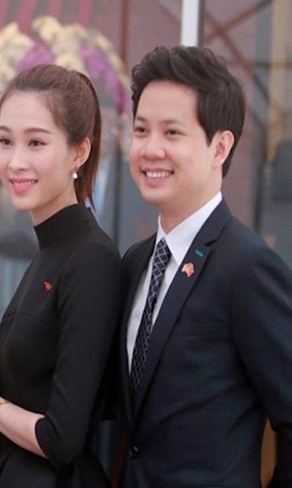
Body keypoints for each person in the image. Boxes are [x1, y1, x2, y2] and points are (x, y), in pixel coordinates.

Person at [118, 45, 292, 486]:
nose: (151, 149)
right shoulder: (136, 263)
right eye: (141, 130)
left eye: (172, 133)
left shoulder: (248, 268)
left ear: (220, 147)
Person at [0, 64, 122, 487]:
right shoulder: (50, 250)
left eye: (36, 143)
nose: (16, 161)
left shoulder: (90, 259)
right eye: (5, 141)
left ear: (79, 152)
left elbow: (62, 438)